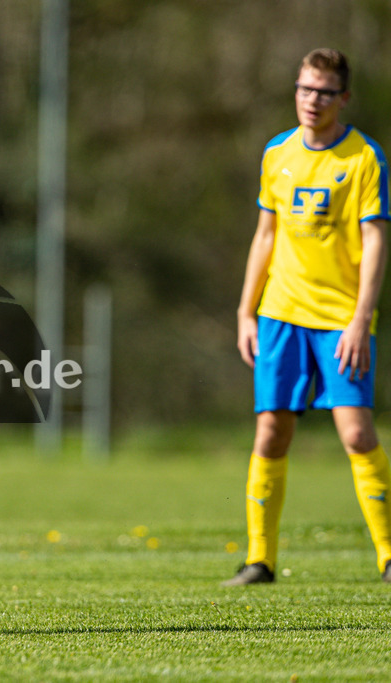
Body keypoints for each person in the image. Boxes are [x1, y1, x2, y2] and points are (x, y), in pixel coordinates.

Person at [227, 48, 391, 586]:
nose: (311, 100)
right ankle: (260, 560)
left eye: (323, 91)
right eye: (303, 88)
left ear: (343, 98)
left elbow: (375, 240)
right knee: (271, 432)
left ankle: (389, 556)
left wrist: (361, 319)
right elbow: (265, 236)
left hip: (341, 317)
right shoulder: (276, 152)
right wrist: (245, 310)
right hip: (280, 313)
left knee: (356, 433)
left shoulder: (365, 158)